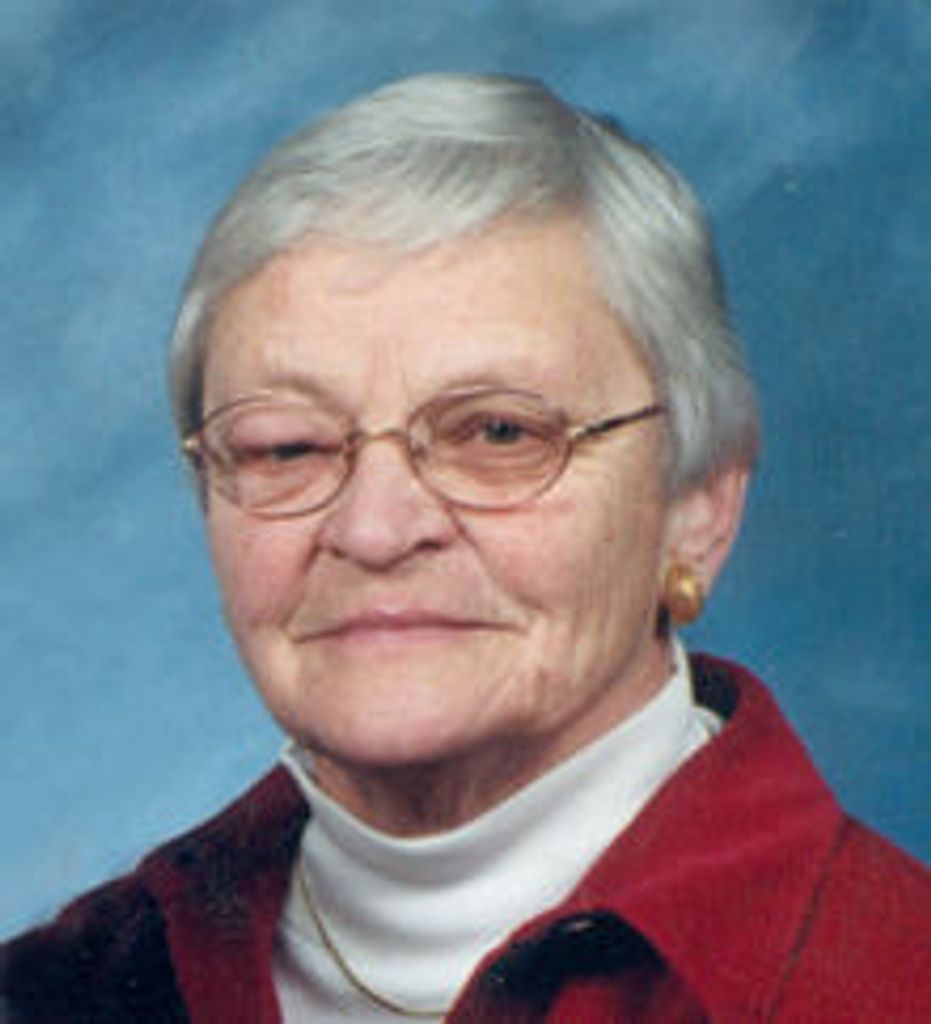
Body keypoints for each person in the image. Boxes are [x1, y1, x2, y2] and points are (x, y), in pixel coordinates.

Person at [3, 72, 929, 1024]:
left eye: (498, 433)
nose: (374, 529)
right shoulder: (59, 989)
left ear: (697, 505)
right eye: (288, 447)